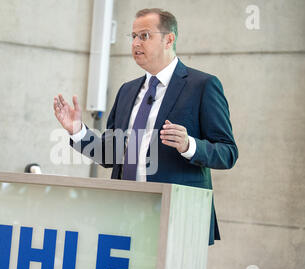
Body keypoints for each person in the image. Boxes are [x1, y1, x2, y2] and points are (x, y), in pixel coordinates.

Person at [53, 8, 238, 245]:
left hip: (177, 216)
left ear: (169, 39)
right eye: (133, 36)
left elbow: (228, 152)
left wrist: (189, 145)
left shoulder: (202, 86)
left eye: (145, 36)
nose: (136, 43)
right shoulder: (127, 91)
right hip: (126, 215)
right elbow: (110, 155)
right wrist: (77, 130)